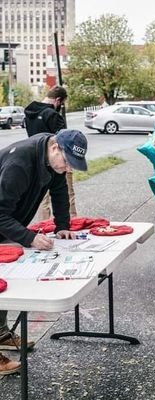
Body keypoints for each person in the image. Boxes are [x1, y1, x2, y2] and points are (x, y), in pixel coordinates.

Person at [0, 129, 88, 375]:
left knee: (6, 277)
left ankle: (1, 334)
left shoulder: (52, 162)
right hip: (2, 215)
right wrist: (28, 237)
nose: (68, 168)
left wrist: (63, 227)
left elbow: (59, 192)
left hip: (7, 219)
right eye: (67, 162)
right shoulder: (20, 163)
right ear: (55, 148)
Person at [24, 85, 77, 220]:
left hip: (37, 159)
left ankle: (44, 226)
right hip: (56, 159)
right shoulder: (53, 115)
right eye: (62, 103)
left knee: (42, 198)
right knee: (66, 194)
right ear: (58, 100)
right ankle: (71, 222)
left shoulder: (29, 114)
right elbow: (63, 141)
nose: (61, 106)